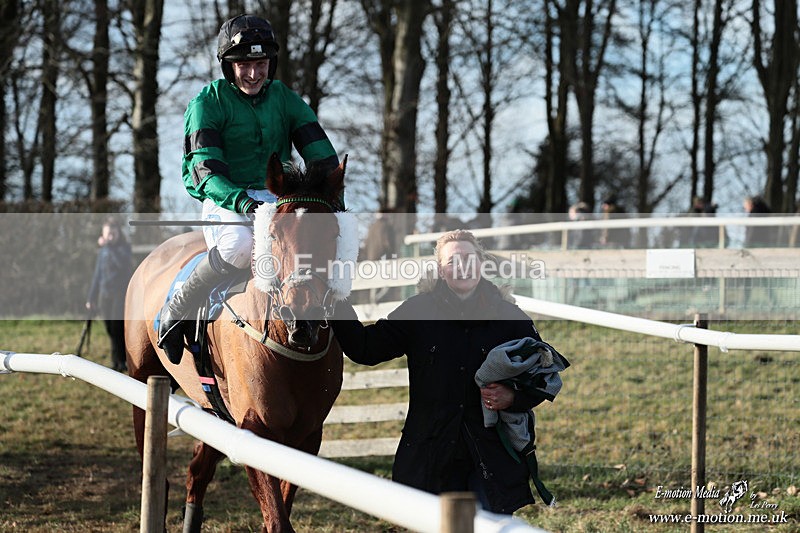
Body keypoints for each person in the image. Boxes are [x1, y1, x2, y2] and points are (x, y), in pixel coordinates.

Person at [331, 230, 567, 514]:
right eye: (453, 261)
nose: (463, 266)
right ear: (441, 271)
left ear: (481, 264)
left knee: (484, 527)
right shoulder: (418, 312)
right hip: (431, 453)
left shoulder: (510, 318)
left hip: (490, 455)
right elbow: (366, 349)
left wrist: (513, 397)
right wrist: (336, 297)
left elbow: (543, 374)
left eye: (469, 258)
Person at [159, 14, 340, 363]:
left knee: (328, 243)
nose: (254, 74)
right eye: (244, 65)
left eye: (261, 64)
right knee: (241, 246)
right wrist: (242, 202)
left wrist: (332, 197)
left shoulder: (285, 99)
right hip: (224, 197)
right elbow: (206, 171)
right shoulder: (206, 104)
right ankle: (179, 305)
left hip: (277, 200)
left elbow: (321, 155)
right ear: (229, 66)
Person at [86, 217, 134, 371]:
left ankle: (119, 361)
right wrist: (91, 297)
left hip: (119, 293)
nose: (111, 236)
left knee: (117, 327)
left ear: (118, 233)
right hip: (104, 294)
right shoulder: (103, 252)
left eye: (113, 233)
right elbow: (97, 275)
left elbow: (122, 265)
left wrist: (108, 247)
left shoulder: (124, 249)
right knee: (109, 328)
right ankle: (118, 359)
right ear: (103, 234)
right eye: (108, 233)